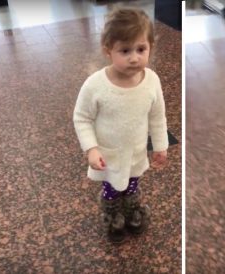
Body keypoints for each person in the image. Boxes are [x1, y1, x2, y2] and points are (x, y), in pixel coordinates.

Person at [73, 8, 168, 242]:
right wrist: (91, 148)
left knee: (132, 184)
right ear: (108, 51)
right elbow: (82, 117)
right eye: (125, 51)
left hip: (136, 151)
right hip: (108, 154)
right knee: (112, 188)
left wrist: (160, 145)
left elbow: (157, 116)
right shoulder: (96, 85)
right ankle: (112, 216)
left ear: (151, 47)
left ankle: (132, 210)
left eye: (141, 49)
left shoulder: (152, 81)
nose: (134, 57)